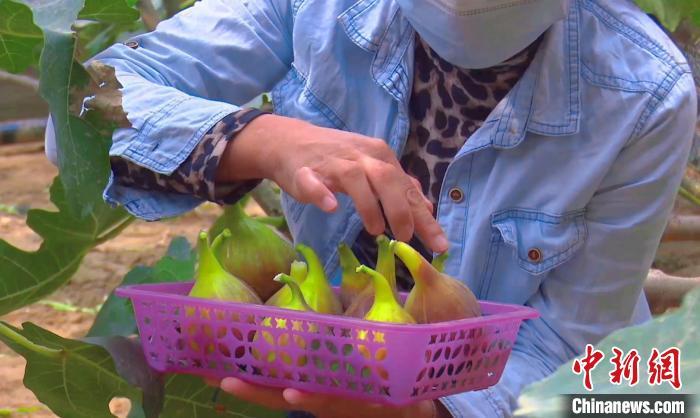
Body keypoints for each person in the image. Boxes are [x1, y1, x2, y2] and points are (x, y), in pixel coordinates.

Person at [45, 0, 696, 416]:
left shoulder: (644, 90)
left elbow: (584, 351)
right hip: (319, 378)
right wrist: (262, 140)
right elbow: (82, 109)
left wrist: (427, 411)